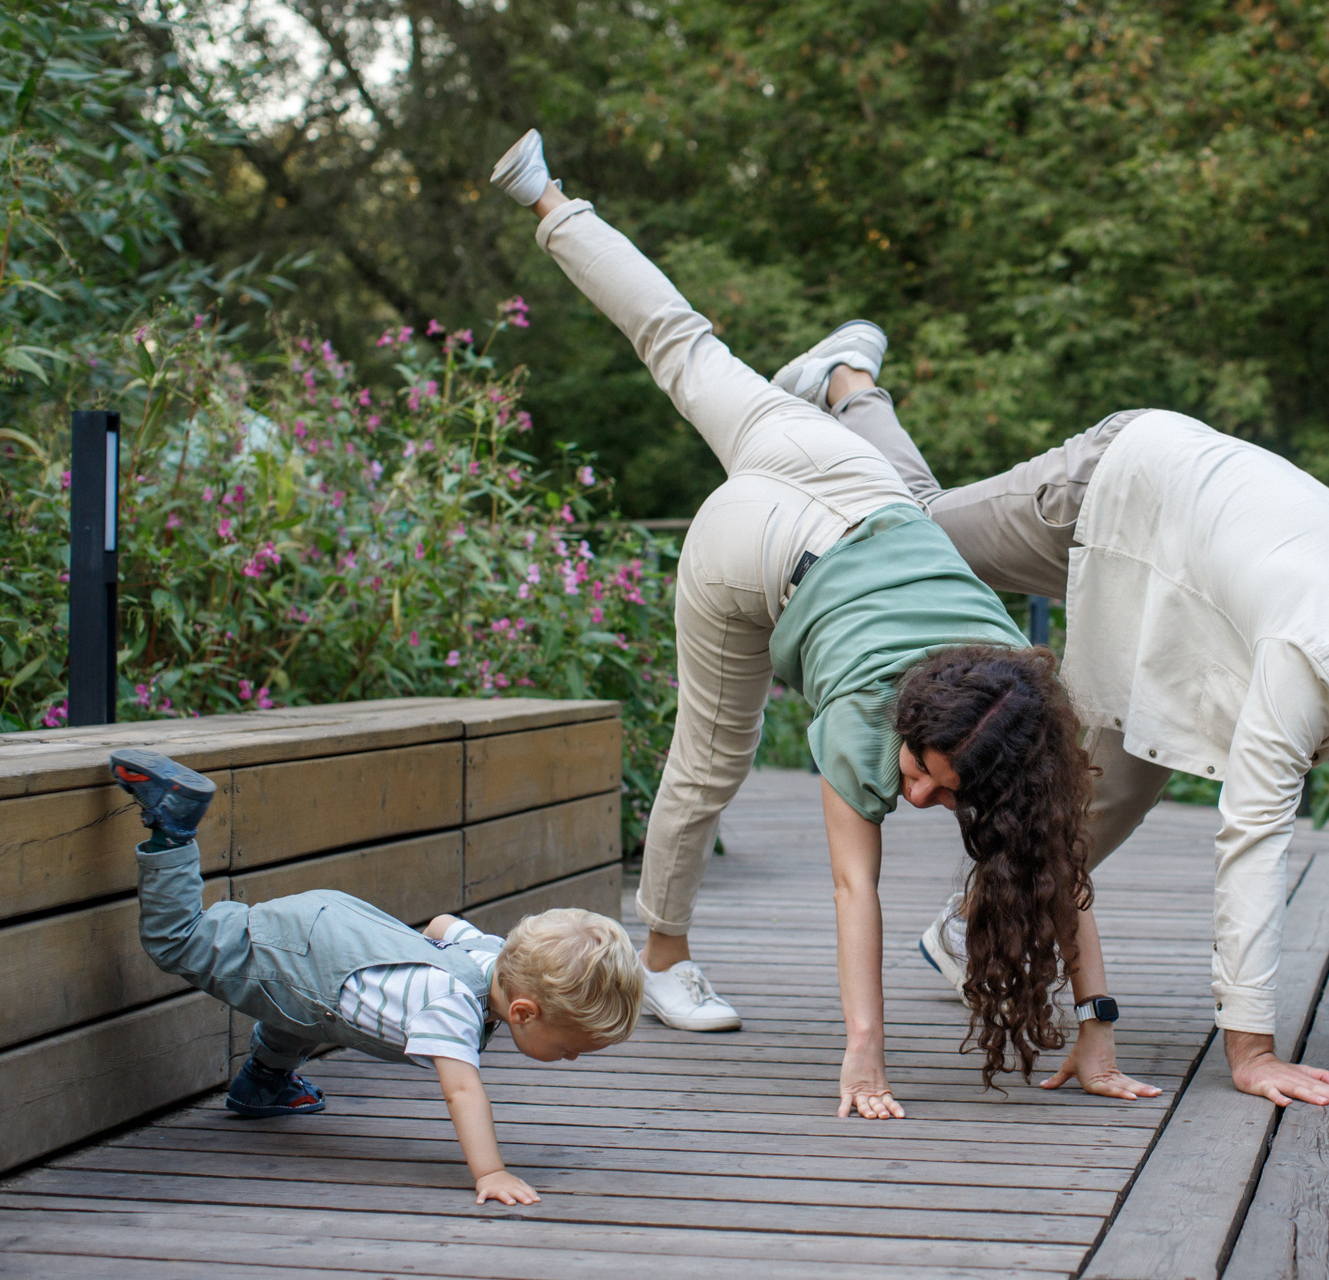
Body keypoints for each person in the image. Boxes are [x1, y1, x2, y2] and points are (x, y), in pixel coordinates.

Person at [488, 131, 1157, 1117]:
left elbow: (1060, 863)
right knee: (713, 756)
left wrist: (1097, 1027)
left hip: (841, 469)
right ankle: (663, 955)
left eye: (939, 785)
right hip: (756, 542)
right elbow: (856, 890)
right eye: (919, 769)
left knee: (688, 349)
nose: (916, 793)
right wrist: (864, 1054)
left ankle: (550, 198)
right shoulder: (863, 723)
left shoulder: (1022, 708)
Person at [804, 351, 1329, 1108]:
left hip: (1180, 612)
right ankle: (848, 381)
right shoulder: (1314, 649)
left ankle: (965, 923)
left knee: (1101, 797)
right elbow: (1255, 840)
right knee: (916, 525)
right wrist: (1251, 1052)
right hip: (1120, 490)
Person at [110, 749, 642, 1206]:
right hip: (302, 953)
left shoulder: (492, 953)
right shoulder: (454, 1007)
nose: (570, 1059)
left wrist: (403, 968)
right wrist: (491, 1172)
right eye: (568, 1048)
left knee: (308, 1011)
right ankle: (173, 831)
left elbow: (442, 924)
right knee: (177, 942)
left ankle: (262, 1085)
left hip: (329, 945)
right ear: (523, 1012)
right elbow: (463, 1091)